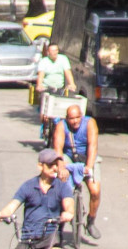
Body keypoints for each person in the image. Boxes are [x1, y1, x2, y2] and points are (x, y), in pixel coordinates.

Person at [0, 149, 75, 248]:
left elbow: (69, 203)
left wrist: (68, 213)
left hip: (51, 239)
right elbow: (12, 206)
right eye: (50, 165)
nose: (54, 168)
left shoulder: (62, 186)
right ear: (40, 166)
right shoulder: (28, 186)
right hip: (27, 238)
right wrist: (0, 214)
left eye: (56, 164)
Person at [52, 101, 102, 240]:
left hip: (87, 158)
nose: (74, 121)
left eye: (77, 118)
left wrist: (88, 167)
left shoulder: (90, 123)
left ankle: (91, 221)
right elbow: (58, 149)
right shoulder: (61, 126)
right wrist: (61, 167)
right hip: (68, 158)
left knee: (95, 191)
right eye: (71, 118)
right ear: (67, 118)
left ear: (82, 116)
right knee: (61, 188)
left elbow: (93, 146)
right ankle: (59, 226)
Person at [34, 38, 76, 139]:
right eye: (52, 51)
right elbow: (41, 75)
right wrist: (39, 85)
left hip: (59, 88)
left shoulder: (63, 59)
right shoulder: (44, 61)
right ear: (48, 52)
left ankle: (57, 130)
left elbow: (68, 73)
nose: (54, 53)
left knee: (60, 110)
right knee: (44, 111)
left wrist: (72, 84)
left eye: (56, 51)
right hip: (47, 88)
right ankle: (44, 126)